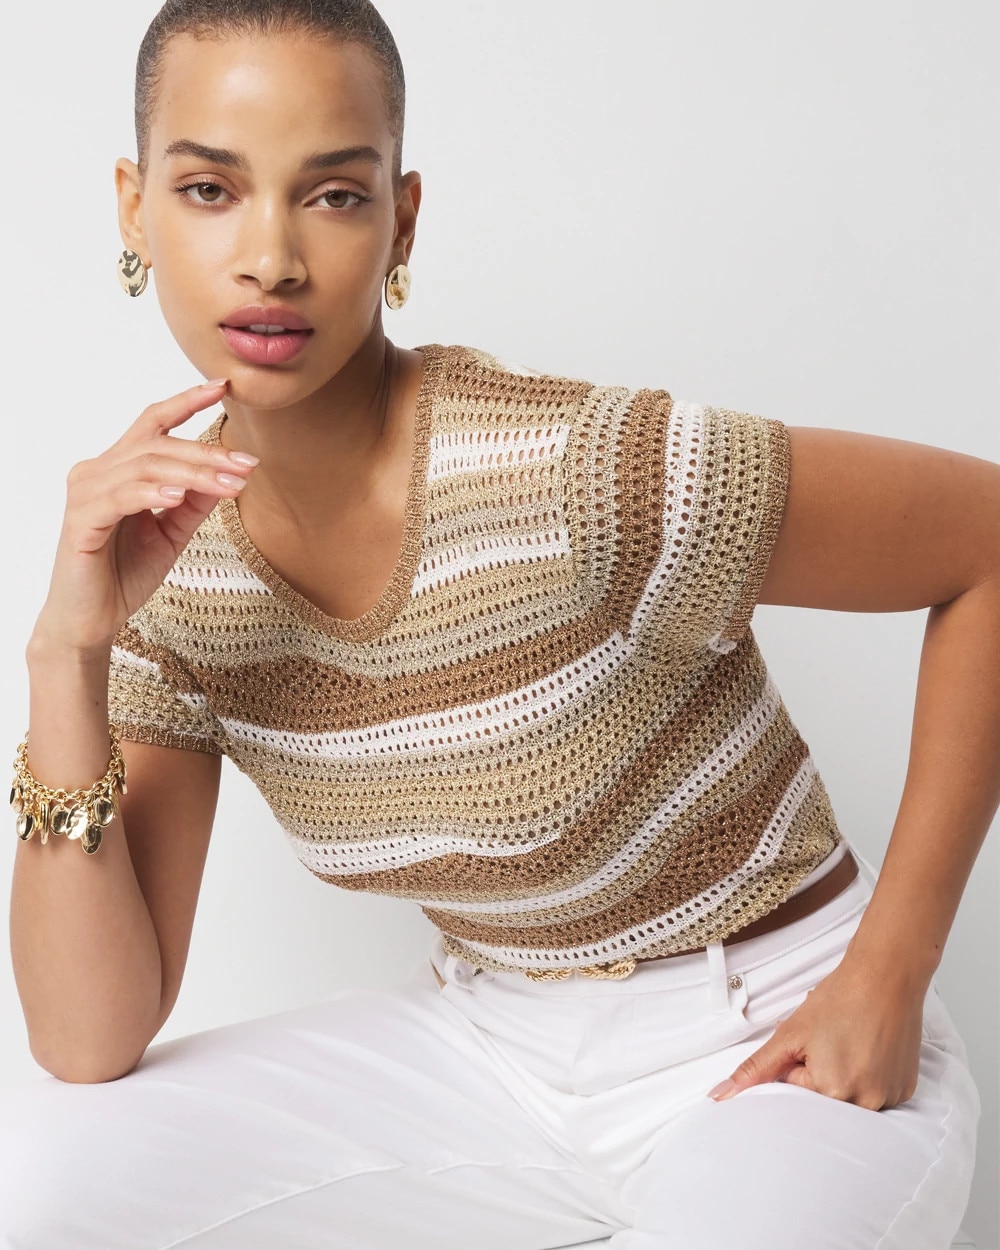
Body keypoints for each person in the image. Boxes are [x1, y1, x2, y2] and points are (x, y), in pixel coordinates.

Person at [2, 1, 996, 1247]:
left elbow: (986, 543)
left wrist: (890, 971)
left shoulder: (581, 466)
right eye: (210, 190)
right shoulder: (173, 570)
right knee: (31, 1172)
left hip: (773, 1031)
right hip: (486, 1042)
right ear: (132, 208)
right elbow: (87, 1038)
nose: (270, 259)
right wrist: (68, 653)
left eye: (333, 195)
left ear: (400, 219)